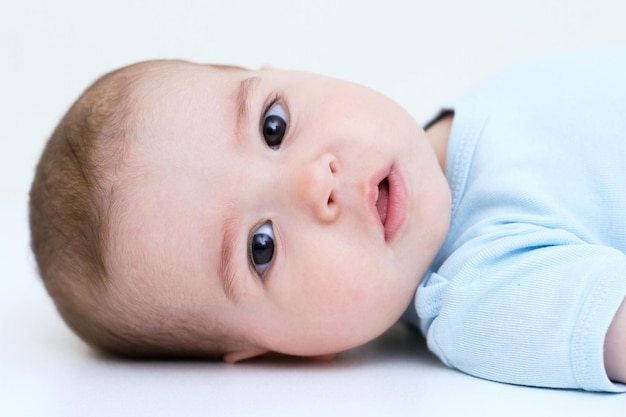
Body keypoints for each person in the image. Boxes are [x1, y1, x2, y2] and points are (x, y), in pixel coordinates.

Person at [29, 47, 626, 392]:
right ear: (276, 352)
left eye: (273, 127)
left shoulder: (490, 102)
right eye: (260, 247)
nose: (315, 182)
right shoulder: (480, 294)